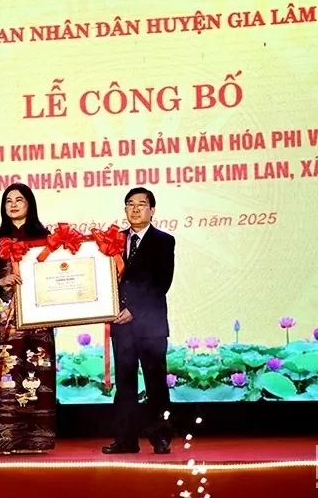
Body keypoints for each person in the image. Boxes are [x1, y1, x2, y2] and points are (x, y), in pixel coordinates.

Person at [0, 182, 55, 454]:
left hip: (39, 313)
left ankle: (37, 440)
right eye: (8, 200)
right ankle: (4, 438)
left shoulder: (46, 236)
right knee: (7, 371)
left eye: (19, 199)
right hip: (6, 314)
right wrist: (1, 279)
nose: (13, 204)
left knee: (36, 370)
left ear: (29, 204)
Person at [103, 187, 175, 455]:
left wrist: (133, 308)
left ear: (152, 210)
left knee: (156, 383)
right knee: (125, 384)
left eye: (141, 204)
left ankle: (161, 437)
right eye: (130, 204)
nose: (135, 209)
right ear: (125, 209)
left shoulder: (164, 241)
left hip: (150, 326)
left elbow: (161, 283)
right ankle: (125, 440)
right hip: (121, 326)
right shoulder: (112, 242)